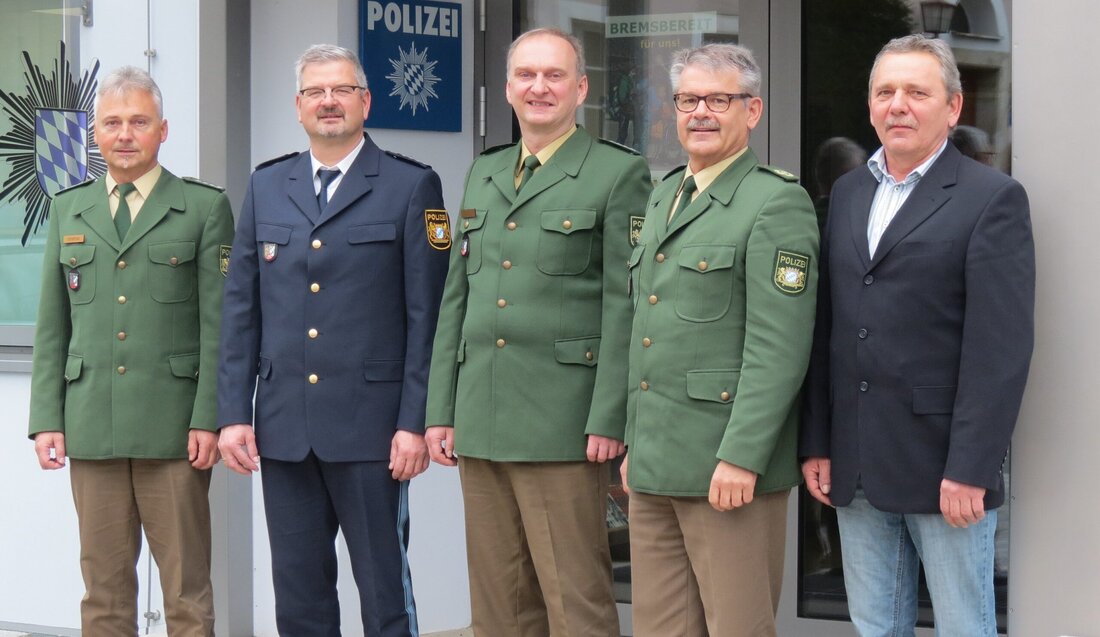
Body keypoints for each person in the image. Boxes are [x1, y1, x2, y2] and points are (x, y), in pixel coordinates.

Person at [800, 34, 1034, 636]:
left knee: (963, 626)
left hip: (944, 467)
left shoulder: (992, 199)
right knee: (876, 625)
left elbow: (999, 350)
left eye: (915, 91)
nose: (897, 104)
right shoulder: (850, 193)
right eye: (885, 91)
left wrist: (973, 466)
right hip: (854, 464)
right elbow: (830, 327)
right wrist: (819, 441)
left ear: (952, 108)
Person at [423, 27, 652, 637]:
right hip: (482, 415)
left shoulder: (615, 174)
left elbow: (624, 305)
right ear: (507, 89)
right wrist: (441, 407)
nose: (539, 88)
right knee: (498, 604)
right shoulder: (485, 171)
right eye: (526, 75)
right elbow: (458, 298)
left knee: (575, 600)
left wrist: (610, 416)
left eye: (554, 76)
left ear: (581, 89)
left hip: (564, 422)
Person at [217, 44, 448, 636]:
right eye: (316, 91)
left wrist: (414, 421)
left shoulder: (410, 185)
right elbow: (241, 309)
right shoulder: (268, 186)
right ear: (298, 106)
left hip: (373, 431)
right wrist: (232, 416)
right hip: (285, 428)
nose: (328, 101)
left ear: (365, 101)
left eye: (342, 89)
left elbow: (429, 316)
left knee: (384, 593)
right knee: (298, 596)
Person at [621, 43, 818, 636]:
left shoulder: (775, 202)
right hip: (656, 463)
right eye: (688, 100)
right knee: (662, 629)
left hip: (726, 467)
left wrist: (742, 457)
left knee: (737, 627)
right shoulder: (664, 195)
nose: (700, 112)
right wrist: (635, 444)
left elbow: (778, 349)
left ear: (752, 111)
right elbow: (648, 330)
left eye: (718, 99)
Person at [28, 65, 233, 636]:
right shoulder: (69, 208)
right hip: (92, 425)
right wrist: (47, 418)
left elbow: (221, 326)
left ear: (162, 131)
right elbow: (52, 325)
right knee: (104, 593)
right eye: (113, 123)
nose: (125, 134)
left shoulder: (202, 208)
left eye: (138, 122)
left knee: (188, 592)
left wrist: (210, 417)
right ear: (95, 134)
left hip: (175, 432)